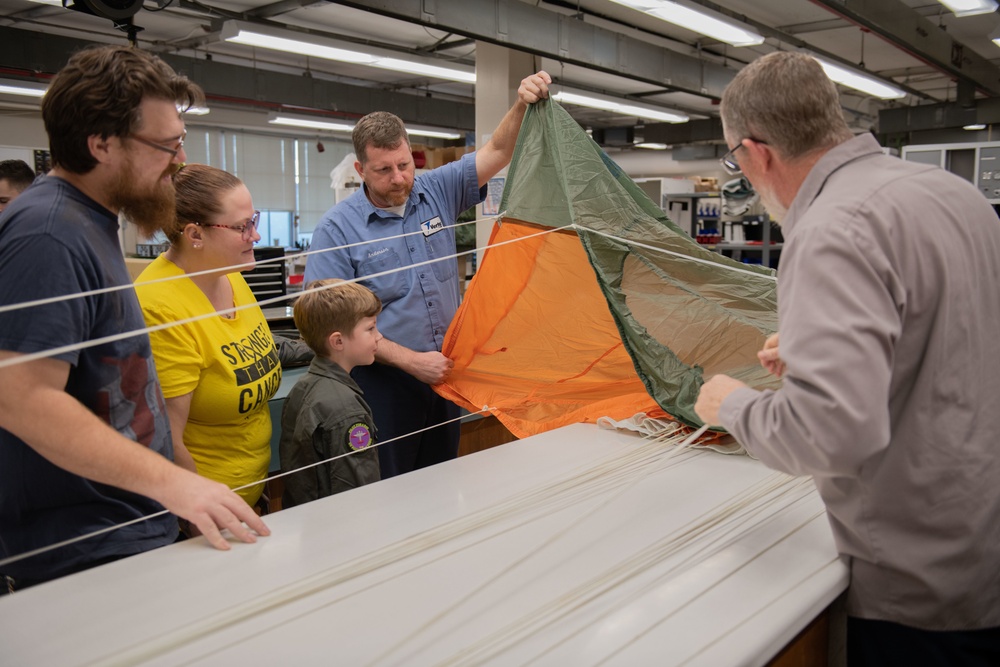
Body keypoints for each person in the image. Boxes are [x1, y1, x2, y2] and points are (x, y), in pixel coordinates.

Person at [693, 51, 1000, 665]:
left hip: (922, 585)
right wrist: (829, 352)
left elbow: (832, 436)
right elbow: (952, 341)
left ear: (756, 154)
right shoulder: (955, 195)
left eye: (735, 161)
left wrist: (735, 405)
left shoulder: (832, 228)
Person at [0, 45, 269, 592]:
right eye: (165, 146)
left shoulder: (88, 221)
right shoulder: (49, 232)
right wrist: (176, 483)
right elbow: (21, 397)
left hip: (126, 526)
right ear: (101, 143)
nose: (177, 161)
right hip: (82, 549)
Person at [304, 71, 552, 479]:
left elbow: (499, 149)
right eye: (384, 170)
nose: (399, 178)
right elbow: (329, 324)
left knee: (440, 484)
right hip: (381, 386)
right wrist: (411, 362)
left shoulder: (436, 190)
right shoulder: (337, 229)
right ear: (360, 168)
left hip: (444, 377)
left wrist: (522, 103)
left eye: (404, 165)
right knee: (389, 490)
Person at [135, 164, 312, 513]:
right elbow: (166, 438)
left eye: (254, 220)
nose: (256, 236)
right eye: (241, 227)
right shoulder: (159, 307)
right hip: (200, 509)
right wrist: (201, 513)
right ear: (195, 234)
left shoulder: (228, 273)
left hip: (249, 491)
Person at [279, 279, 382, 508]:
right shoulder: (345, 408)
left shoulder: (304, 387)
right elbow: (356, 491)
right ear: (337, 341)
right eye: (370, 328)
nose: (379, 336)